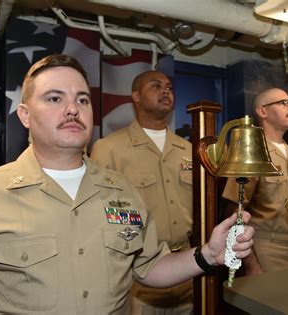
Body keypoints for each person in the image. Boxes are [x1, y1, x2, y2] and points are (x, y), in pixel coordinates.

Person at [0, 54, 254, 314]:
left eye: (82, 100)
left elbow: (151, 267)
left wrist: (209, 254)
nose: (72, 109)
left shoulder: (122, 189)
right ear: (24, 115)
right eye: (54, 99)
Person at [90, 70, 194, 314]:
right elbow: (96, 215)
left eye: (169, 86)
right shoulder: (110, 149)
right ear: (135, 96)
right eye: (155, 86)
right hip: (137, 273)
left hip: (186, 269)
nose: (166, 90)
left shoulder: (187, 149)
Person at [222, 87, 288, 275]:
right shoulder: (251, 154)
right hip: (265, 248)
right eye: (284, 103)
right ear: (262, 111)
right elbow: (234, 213)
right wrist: (251, 266)